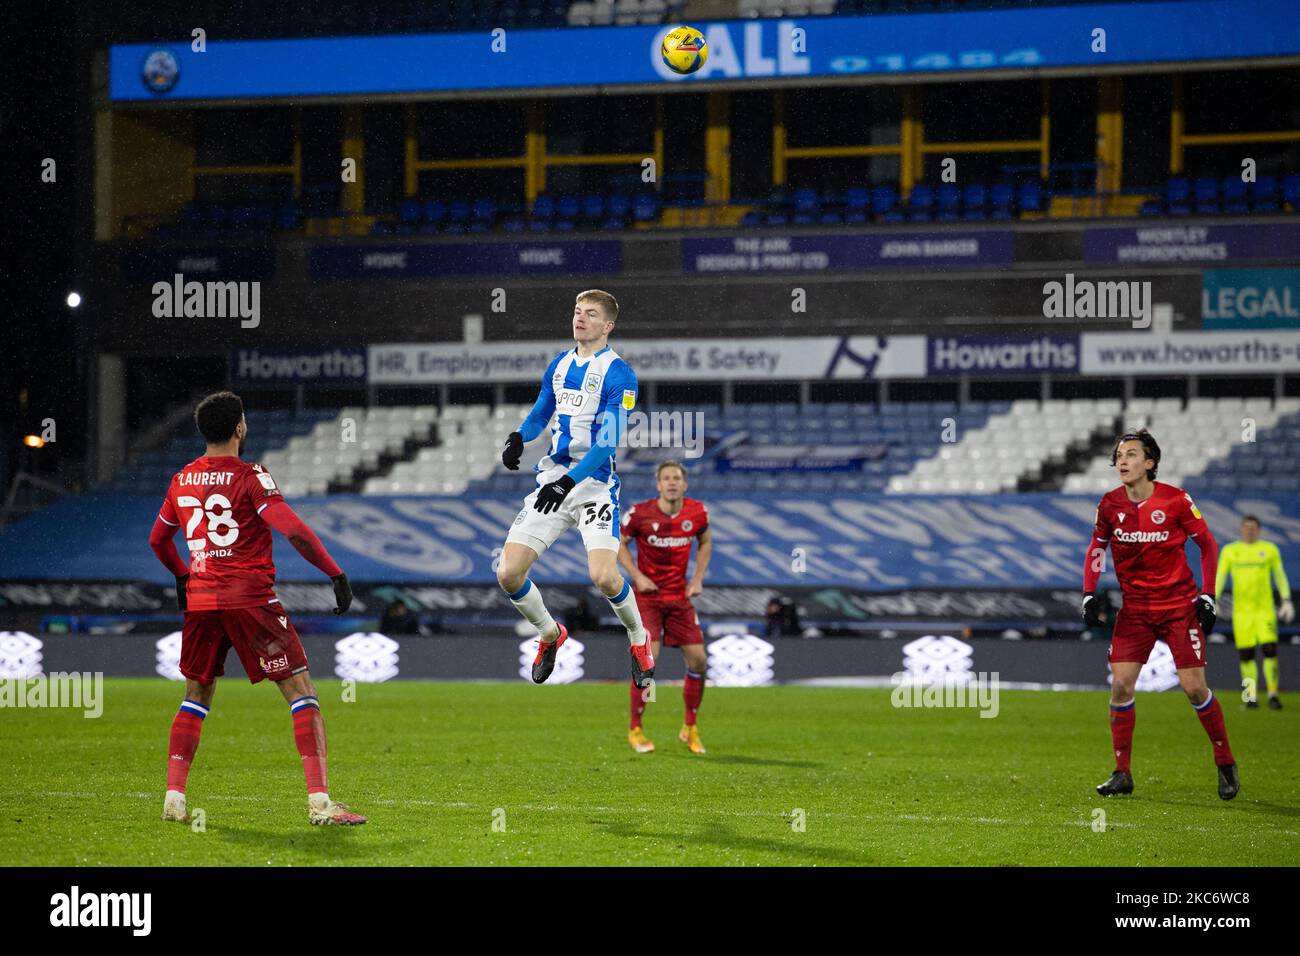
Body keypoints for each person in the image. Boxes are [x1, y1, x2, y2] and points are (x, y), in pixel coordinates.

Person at [148, 391, 364, 826]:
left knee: (195, 696)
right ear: (239, 428)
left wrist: (182, 576)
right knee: (301, 693)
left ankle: (174, 797)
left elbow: (158, 540)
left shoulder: (181, 480)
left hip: (202, 600)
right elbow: (294, 531)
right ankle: (321, 803)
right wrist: (335, 572)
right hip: (250, 599)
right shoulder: (251, 476)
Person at [495, 290, 654, 688]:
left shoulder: (620, 374)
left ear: (608, 326)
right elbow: (541, 412)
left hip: (595, 486)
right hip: (553, 481)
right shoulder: (560, 365)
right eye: (577, 311)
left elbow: (608, 442)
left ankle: (638, 639)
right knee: (508, 573)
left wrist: (570, 480)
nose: (580, 319)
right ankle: (550, 634)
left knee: (604, 577)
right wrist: (519, 436)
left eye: (591, 314)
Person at [1082, 428, 1238, 800]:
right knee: (1120, 685)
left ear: (1149, 463)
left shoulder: (1177, 501)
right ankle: (1122, 773)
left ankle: (1225, 761)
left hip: (1178, 609)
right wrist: (1089, 593)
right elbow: (1096, 547)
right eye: (1119, 455)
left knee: (1194, 687)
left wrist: (1208, 596)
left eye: (1132, 454)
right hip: (1135, 610)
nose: (1122, 460)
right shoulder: (1109, 505)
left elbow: (1208, 546)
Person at [618, 460, 713, 754]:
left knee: (698, 660)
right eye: (666, 478)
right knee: (649, 660)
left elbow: (706, 541)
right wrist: (637, 576)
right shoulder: (639, 513)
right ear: (658, 485)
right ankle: (636, 729)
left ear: (684, 484)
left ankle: (690, 728)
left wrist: (697, 579)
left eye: (676, 478)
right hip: (647, 597)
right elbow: (620, 543)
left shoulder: (697, 512)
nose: (672, 482)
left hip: (679, 596)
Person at [1216, 514, 1293, 710]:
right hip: (1241, 613)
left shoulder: (1269, 550)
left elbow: (1280, 575)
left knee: (1269, 650)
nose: (1249, 530)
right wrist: (1212, 598)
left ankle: (1273, 695)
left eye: (1253, 528)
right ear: (1241, 529)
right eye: (1246, 527)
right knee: (1247, 655)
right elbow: (1221, 575)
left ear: (1258, 530)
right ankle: (1250, 697)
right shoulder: (1230, 551)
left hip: (1265, 611)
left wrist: (1286, 600)